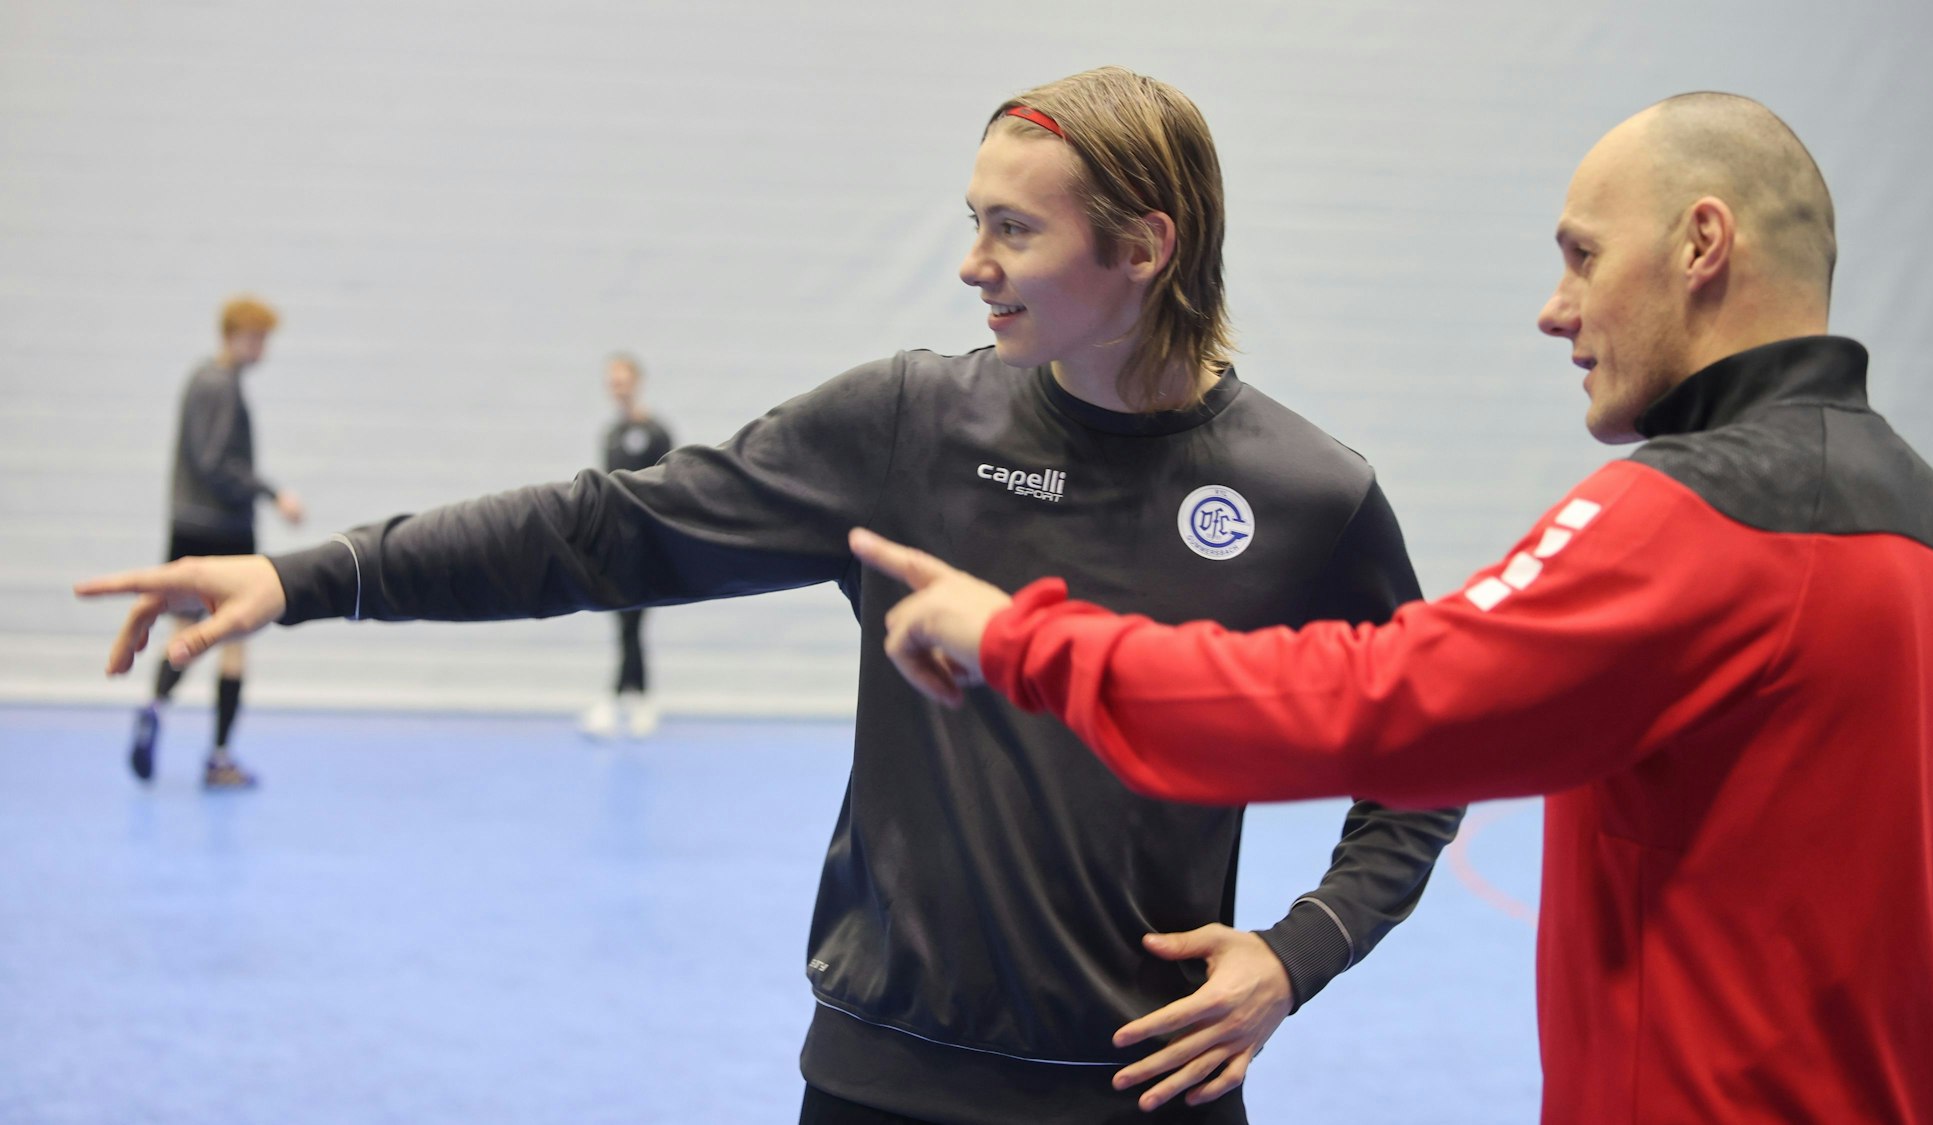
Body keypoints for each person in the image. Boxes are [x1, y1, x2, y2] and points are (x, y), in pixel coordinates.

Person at [77, 68, 1463, 1123]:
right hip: (882, 1081)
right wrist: (301, 577)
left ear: (1144, 246)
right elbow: (596, 534)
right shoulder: (907, 425)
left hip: (1147, 1089)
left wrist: (1299, 952)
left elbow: (1431, 750)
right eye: (970, 223)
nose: (973, 264)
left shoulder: (1304, 494)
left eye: (1011, 231)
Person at [851, 92, 1933, 1124]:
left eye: (1583, 257)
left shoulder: (1695, 527)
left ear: (1701, 244)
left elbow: (1378, 700)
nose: (1557, 310)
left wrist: (1022, 640)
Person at [128, 295, 305, 790]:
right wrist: (274, 494)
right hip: (224, 528)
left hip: (187, 524)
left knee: (185, 628)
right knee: (235, 640)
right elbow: (216, 463)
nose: (263, 348)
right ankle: (220, 755)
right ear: (236, 336)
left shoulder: (198, 379)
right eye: (259, 338)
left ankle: (153, 707)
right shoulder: (222, 386)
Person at [578, 352, 675, 740]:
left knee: (633, 622)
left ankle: (622, 699)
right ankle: (635, 699)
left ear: (636, 381)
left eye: (623, 380)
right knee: (625, 624)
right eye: (612, 382)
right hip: (617, 545)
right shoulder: (611, 435)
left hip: (647, 543)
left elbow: (670, 484)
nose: (617, 388)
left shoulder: (656, 432)